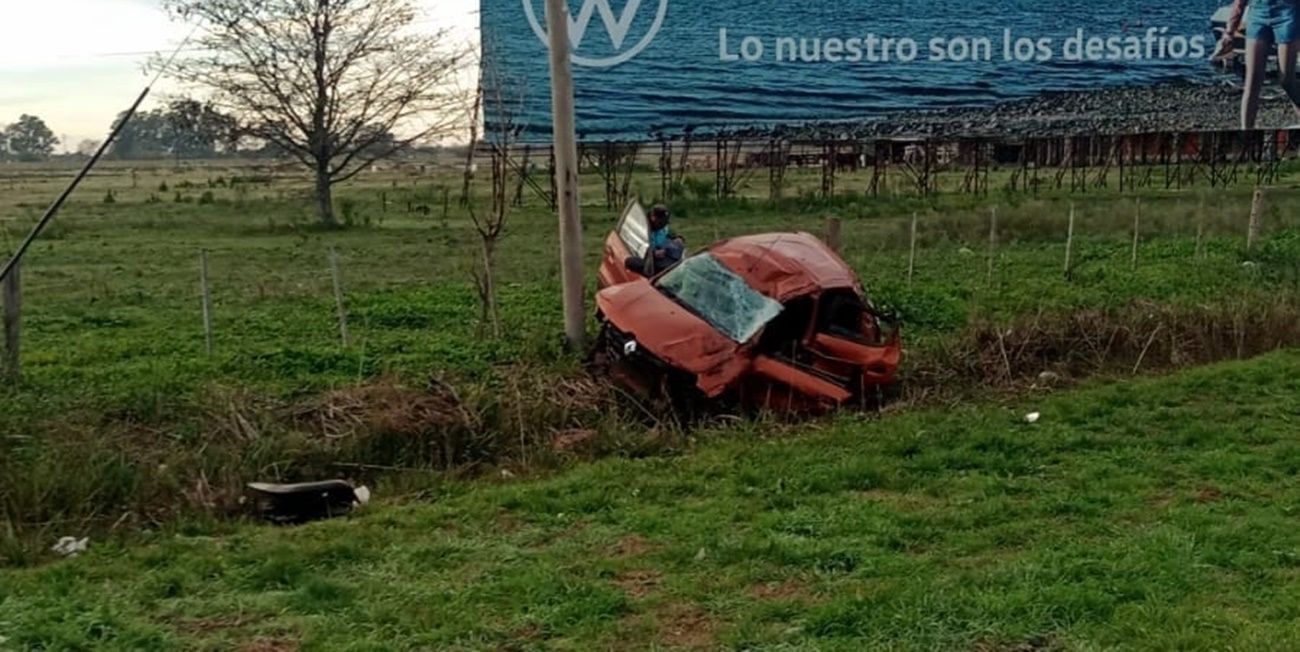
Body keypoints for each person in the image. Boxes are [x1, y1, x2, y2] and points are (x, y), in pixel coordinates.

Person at [1216, 0, 1300, 128]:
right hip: (1258, 13)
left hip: (1287, 12)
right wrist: (1229, 33)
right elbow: (1239, 2)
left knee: (1286, 80)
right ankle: (1246, 138)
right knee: (1252, 81)